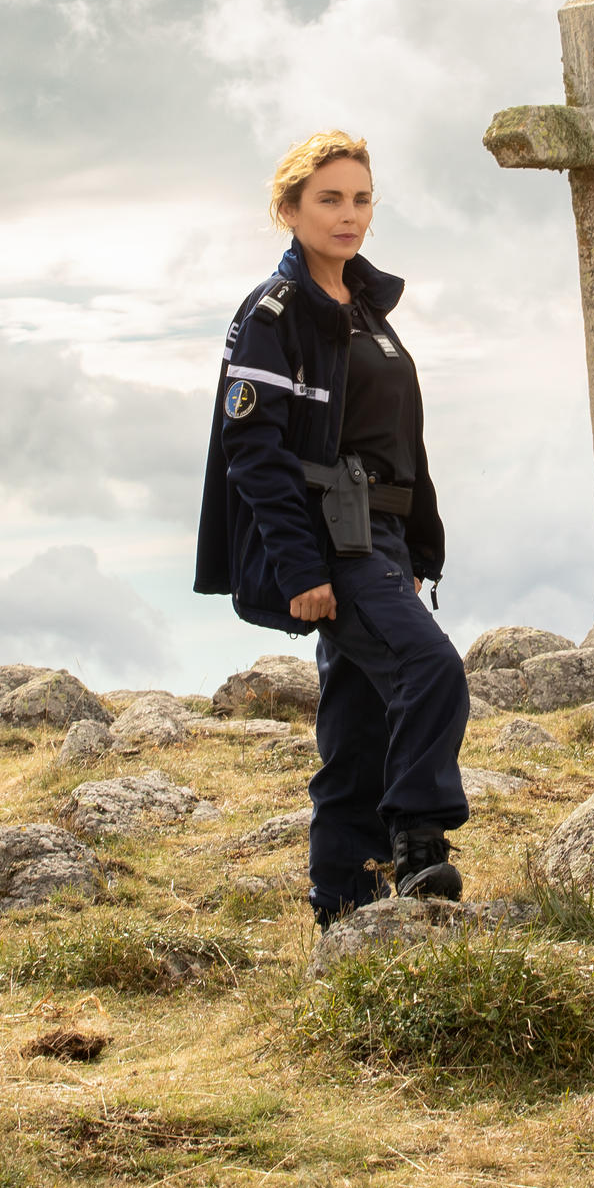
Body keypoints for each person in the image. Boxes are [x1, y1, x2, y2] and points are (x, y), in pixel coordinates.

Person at [194, 130, 471, 925]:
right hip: (328, 543)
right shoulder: (272, 314)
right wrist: (300, 570)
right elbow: (253, 451)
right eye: (329, 199)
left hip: (382, 539)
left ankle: (342, 906)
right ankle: (419, 841)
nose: (348, 215)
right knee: (432, 669)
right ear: (289, 208)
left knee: (357, 728)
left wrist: (421, 549)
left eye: (360, 199)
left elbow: (401, 444)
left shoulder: (371, 311)